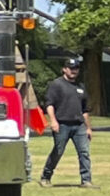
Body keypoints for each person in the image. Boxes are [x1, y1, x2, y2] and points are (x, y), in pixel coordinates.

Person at [37, 59, 92, 187]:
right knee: (58, 151)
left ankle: (86, 180)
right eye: (71, 68)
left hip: (79, 125)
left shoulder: (80, 87)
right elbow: (49, 105)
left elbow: (84, 110)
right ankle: (46, 177)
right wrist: (53, 121)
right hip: (62, 124)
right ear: (64, 69)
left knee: (84, 152)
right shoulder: (57, 84)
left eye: (76, 68)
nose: (74, 71)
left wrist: (88, 128)